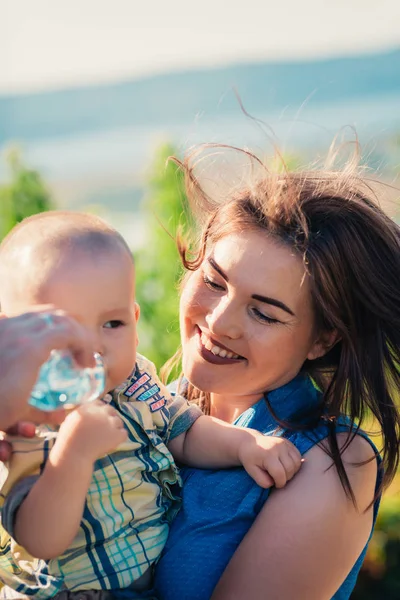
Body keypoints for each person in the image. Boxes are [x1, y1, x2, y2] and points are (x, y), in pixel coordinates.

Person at [0, 211, 301, 599]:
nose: (93, 346)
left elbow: (185, 429)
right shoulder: (23, 420)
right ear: (12, 336)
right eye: (63, 326)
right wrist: (73, 456)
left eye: (113, 324)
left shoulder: (136, 381)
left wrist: (244, 444)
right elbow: (39, 539)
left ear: (135, 320)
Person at [152, 146, 400, 599]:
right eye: (213, 282)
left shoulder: (330, 462)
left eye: (264, 314)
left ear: (323, 338)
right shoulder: (147, 407)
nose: (221, 323)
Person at [0, 308, 97, 435]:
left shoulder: (130, 388)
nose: (95, 346)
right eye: (58, 327)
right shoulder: (29, 433)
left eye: (113, 324)